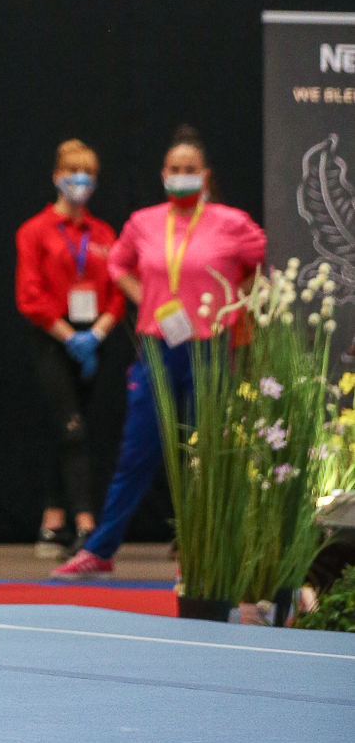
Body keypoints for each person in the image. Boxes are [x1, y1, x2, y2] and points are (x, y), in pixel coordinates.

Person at [55, 125, 266, 578]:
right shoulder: (143, 222)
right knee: (137, 452)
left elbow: (257, 263)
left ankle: (204, 552)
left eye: (191, 169)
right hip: (158, 346)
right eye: (175, 168)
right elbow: (118, 266)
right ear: (163, 174)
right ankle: (101, 549)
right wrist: (146, 299)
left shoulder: (231, 222)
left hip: (209, 348)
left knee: (210, 453)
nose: (182, 175)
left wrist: (233, 303)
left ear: (204, 176)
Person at [14, 138, 125, 557]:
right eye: (74, 172)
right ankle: (85, 523)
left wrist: (96, 334)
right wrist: (68, 337)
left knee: (70, 430)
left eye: (89, 173)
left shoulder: (104, 234)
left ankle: (51, 522)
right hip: (53, 338)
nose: (82, 180)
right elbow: (29, 295)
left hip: (94, 338)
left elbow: (117, 291)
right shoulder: (35, 231)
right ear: (57, 177)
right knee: (71, 428)